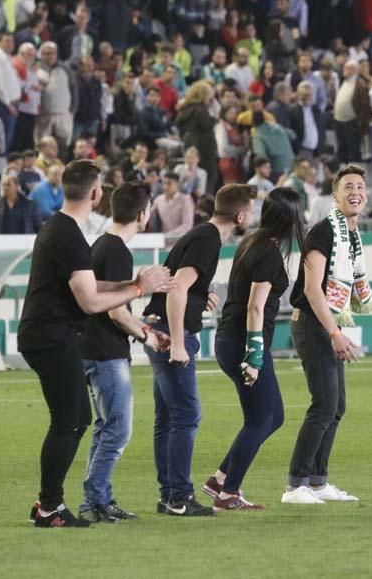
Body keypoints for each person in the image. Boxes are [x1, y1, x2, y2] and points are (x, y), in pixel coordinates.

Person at [20, 160, 171, 527]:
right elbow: (89, 303)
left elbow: (89, 286)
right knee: (69, 420)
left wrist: (129, 285)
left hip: (52, 334)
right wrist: (138, 289)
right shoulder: (69, 233)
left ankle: (51, 503)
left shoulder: (62, 229)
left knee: (78, 419)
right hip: (51, 335)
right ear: (96, 193)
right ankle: (49, 506)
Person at [142, 184, 257, 516]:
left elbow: (181, 286)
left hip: (158, 325)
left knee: (167, 418)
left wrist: (198, 297)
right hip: (168, 333)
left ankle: (169, 495)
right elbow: (177, 287)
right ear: (239, 215)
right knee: (187, 415)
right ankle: (179, 497)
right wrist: (177, 342)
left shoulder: (202, 235)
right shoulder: (208, 239)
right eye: (251, 210)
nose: (252, 216)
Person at [204, 188, 304, 511]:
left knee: (273, 416)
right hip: (243, 342)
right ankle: (228, 492)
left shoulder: (251, 244)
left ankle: (220, 479)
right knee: (260, 419)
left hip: (231, 338)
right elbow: (255, 308)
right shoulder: (270, 253)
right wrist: (254, 356)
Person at [80, 183, 169, 522]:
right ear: (144, 214)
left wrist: (139, 320)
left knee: (106, 427)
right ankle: (97, 502)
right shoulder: (117, 250)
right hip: (106, 352)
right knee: (118, 429)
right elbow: (115, 313)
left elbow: (112, 301)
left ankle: (96, 500)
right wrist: (146, 335)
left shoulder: (101, 244)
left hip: (93, 348)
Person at [284, 165, 372, 505]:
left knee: (336, 406)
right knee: (324, 405)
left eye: (361, 187)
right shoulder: (323, 232)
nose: (356, 192)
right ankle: (295, 485)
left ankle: (318, 481)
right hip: (312, 323)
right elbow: (311, 289)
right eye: (348, 186)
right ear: (335, 195)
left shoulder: (350, 235)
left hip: (326, 323)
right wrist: (334, 332)